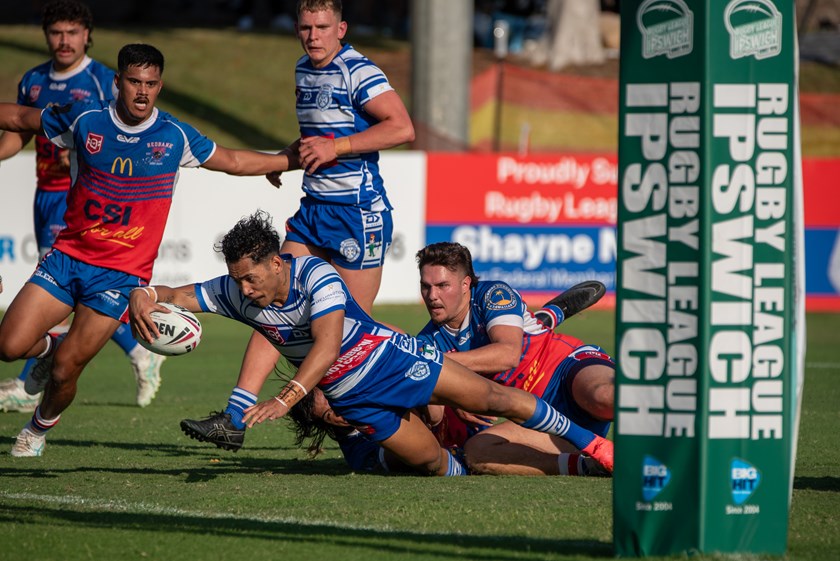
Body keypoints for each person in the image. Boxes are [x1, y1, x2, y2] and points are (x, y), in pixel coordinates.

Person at [133, 211, 613, 476]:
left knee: (494, 397)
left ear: (277, 263)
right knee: (433, 464)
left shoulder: (315, 274)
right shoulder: (236, 290)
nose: (244, 290)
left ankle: (597, 448)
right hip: (351, 397)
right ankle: (493, 468)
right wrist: (146, 295)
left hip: (390, 360)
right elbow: (179, 293)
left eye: (251, 278)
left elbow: (326, 345)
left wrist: (287, 397)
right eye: (237, 280)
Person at [0, 43, 296, 457]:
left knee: (68, 370)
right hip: (68, 258)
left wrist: (285, 161)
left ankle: (36, 430)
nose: (142, 92)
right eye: (135, 82)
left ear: (160, 86)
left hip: (120, 276)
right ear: (117, 82)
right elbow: (18, 116)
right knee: (9, 346)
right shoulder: (86, 121)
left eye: (151, 84)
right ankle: (51, 347)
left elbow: (232, 160)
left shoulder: (173, 136)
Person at [187, 0, 416, 442]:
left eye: (323, 27)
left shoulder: (358, 71)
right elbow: (318, 133)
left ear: (341, 28)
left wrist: (337, 148)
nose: (314, 35)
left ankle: (414, 388)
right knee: (268, 301)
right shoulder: (304, 69)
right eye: (306, 27)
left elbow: (402, 128)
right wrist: (288, 158)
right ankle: (234, 420)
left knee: (350, 332)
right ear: (297, 28)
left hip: (358, 215)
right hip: (313, 210)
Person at [0, 0, 166, 414]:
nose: (64, 41)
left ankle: (28, 383)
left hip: (83, 200)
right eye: (56, 32)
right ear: (46, 36)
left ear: (86, 36)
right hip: (45, 195)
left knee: (68, 288)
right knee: (69, 292)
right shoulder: (34, 80)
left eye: (72, 32)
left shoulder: (99, 82)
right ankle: (137, 352)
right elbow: (16, 136)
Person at [414, 242, 615, 476]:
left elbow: (507, 355)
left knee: (603, 396)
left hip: (566, 369)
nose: (432, 296)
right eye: (425, 287)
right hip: (540, 419)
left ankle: (664, 428)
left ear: (466, 283)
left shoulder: (493, 294)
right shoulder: (428, 341)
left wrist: (439, 365)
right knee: (477, 452)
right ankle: (588, 467)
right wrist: (452, 397)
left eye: (442, 285)